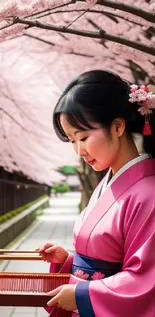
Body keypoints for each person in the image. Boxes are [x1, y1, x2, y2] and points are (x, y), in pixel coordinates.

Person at [37, 70, 155, 317]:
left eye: (84, 137)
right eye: (71, 140)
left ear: (118, 126)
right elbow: (106, 262)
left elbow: (147, 281)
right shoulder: (109, 183)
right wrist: (69, 261)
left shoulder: (148, 193)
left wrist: (83, 295)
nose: (78, 151)